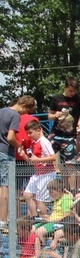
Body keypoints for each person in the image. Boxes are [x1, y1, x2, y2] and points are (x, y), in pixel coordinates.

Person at [0, 95, 36, 224]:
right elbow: (10, 137)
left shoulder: (2, 111)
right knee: (5, 185)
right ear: (24, 106)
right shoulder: (15, 115)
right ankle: (3, 219)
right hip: (5, 152)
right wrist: (18, 146)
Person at [47, 77, 80, 171]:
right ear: (65, 87)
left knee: (70, 164)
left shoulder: (79, 99)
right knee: (48, 158)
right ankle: (54, 179)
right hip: (56, 133)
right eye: (70, 90)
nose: (72, 93)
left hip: (70, 135)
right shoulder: (56, 99)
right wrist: (55, 115)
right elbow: (49, 116)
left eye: (74, 91)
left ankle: (71, 186)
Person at [19, 119, 57, 218]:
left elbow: (53, 157)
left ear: (39, 130)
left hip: (46, 174)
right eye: (27, 133)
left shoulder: (44, 141)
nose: (29, 135)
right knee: (27, 194)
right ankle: (35, 217)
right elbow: (32, 160)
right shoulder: (33, 143)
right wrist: (23, 155)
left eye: (31, 133)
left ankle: (43, 217)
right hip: (37, 173)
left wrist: (38, 159)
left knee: (40, 200)